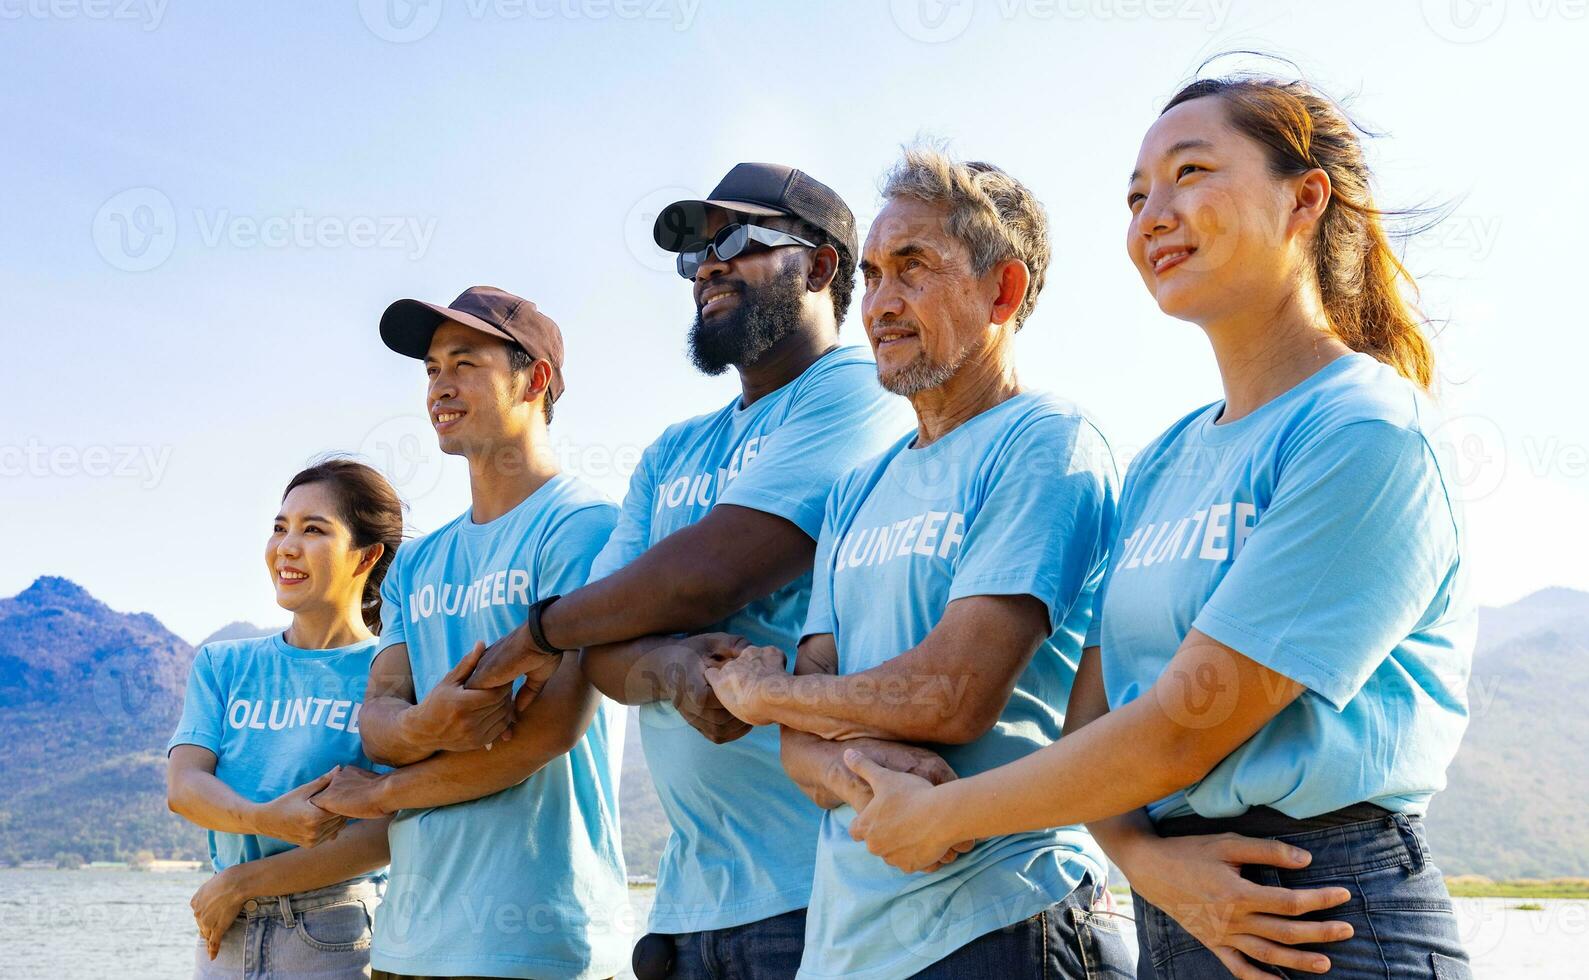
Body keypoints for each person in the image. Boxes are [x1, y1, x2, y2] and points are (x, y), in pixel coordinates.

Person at [836, 75, 1476, 980]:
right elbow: (1089, 720)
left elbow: (1183, 723)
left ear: (1303, 198)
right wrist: (1143, 861)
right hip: (1177, 910)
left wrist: (943, 815)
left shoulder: (1363, 431)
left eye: (1188, 173)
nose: (1152, 214)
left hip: (1322, 916)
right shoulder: (1167, 459)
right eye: (1136, 195)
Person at [464, 163, 913, 979]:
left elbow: (705, 576)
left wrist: (537, 633)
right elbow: (600, 649)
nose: (706, 266)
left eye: (737, 241)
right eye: (696, 253)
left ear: (819, 268)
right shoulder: (671, 450)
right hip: (685, 912)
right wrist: (667, 666)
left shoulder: (859, 391)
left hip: (823, 886)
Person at [705, 147, 1136, 980]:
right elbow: (798, 750)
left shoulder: (1046, 443)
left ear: (1002, 292)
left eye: (912, 270)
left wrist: (768, 695)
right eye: (869, 275)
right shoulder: (857, 489)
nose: (879, 305)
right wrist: (848, 761)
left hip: (1004, 921)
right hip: (848, 947)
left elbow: (952, 695)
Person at [310, 286, 627, 980]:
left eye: (464, 364)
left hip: (539, 945)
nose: (439, 388)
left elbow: (546, 734)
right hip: (405, 946)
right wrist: (428, 723)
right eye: (430, 370)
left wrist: (383, 791)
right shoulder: (418, 561)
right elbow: (377, 721)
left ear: (534, 380)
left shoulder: (585, 527)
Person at [166, 457, 403, 979]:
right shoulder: (222, 664)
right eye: (279, 528)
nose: (286, 547)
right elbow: (184, 787)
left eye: (313, 530)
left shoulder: (392, 670)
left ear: (366, 556)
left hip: (336, 932)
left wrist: (244, 881)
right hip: (223, 931)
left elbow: (385, 832)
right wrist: (263, 821)